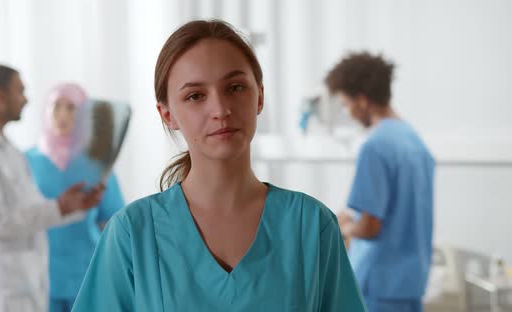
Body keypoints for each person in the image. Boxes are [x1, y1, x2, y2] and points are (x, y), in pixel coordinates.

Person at [72, 20, 366, 311]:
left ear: (259, 97)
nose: (220, 110)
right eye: (195, 96)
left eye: (235, 87)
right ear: (167, 115)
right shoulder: (133, 234)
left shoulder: (310, 226)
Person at [0, 65, 104, 312]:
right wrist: (59, 207)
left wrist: (73, 206)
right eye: (19, 91)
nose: (25, 99)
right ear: (0, 96)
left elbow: (34, 212)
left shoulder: (12, 154)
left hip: (28, 287)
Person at [325, 52, 434, 312]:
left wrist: (345, 228)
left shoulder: (375, 146)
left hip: (378, 285)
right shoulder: (415, 143)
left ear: (361, 101)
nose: (349, 113)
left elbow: (371, 225)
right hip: (411, 283)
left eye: (345, 104)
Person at [24, 83, 126, 312]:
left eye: (71, 108)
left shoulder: (97, 163)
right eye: (55, 106)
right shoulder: (25, 162)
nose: (62, 115)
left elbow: (112, 222)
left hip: (86, 273)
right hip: (38, 276)